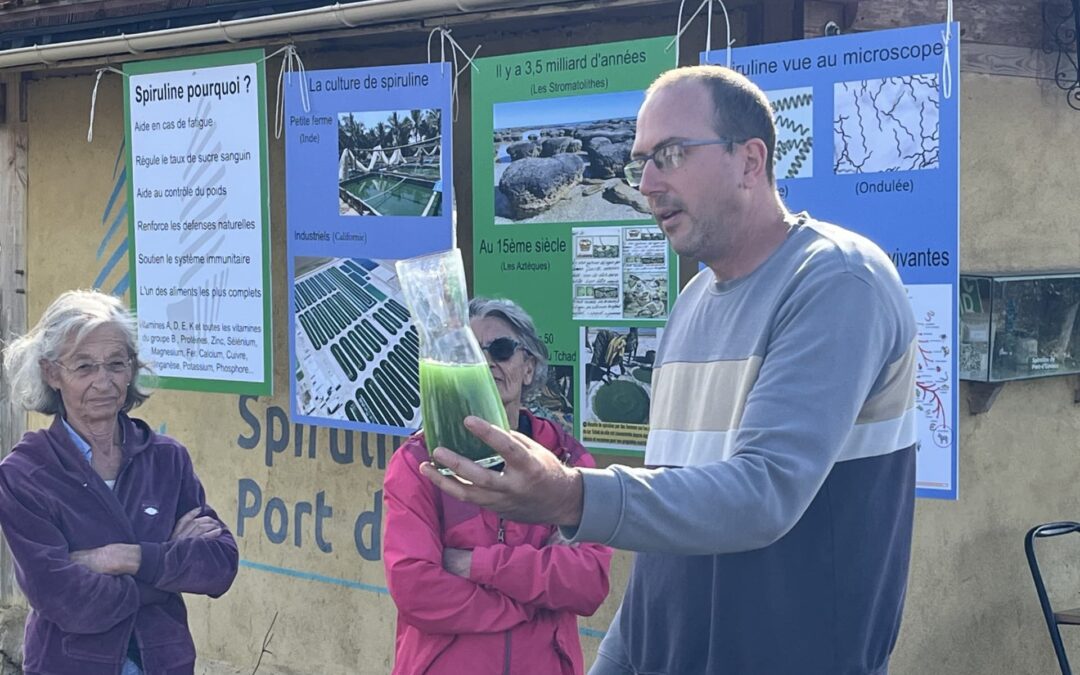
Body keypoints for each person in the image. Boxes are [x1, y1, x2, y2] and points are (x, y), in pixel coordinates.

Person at [422, 65, 918, 675]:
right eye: (641, 162)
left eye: (671, 154)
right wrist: (620, 659)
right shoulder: (691, 305)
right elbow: (667, 541)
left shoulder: (836, 281)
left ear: (750, 160)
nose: (648, 182)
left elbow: (765, 494)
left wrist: (571, 496)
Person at [0, 290, 238, 675]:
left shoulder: (165, 458)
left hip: (165, 663)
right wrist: (165, 564)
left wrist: (122, 558)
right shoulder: (26, 473)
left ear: (132, 369)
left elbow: (218, 565)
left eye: (116, 363)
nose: (104, 381)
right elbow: (67, 601)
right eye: (84, 367)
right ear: (51, 373)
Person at [383, 297, 612, 675]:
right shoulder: (420, 462)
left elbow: (587, 583)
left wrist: (473, 563)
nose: (487, 362)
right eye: (471, 353)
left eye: (501, 350)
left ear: (528, 368)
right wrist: (527, 602)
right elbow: (417, 590)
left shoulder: (568, 460)